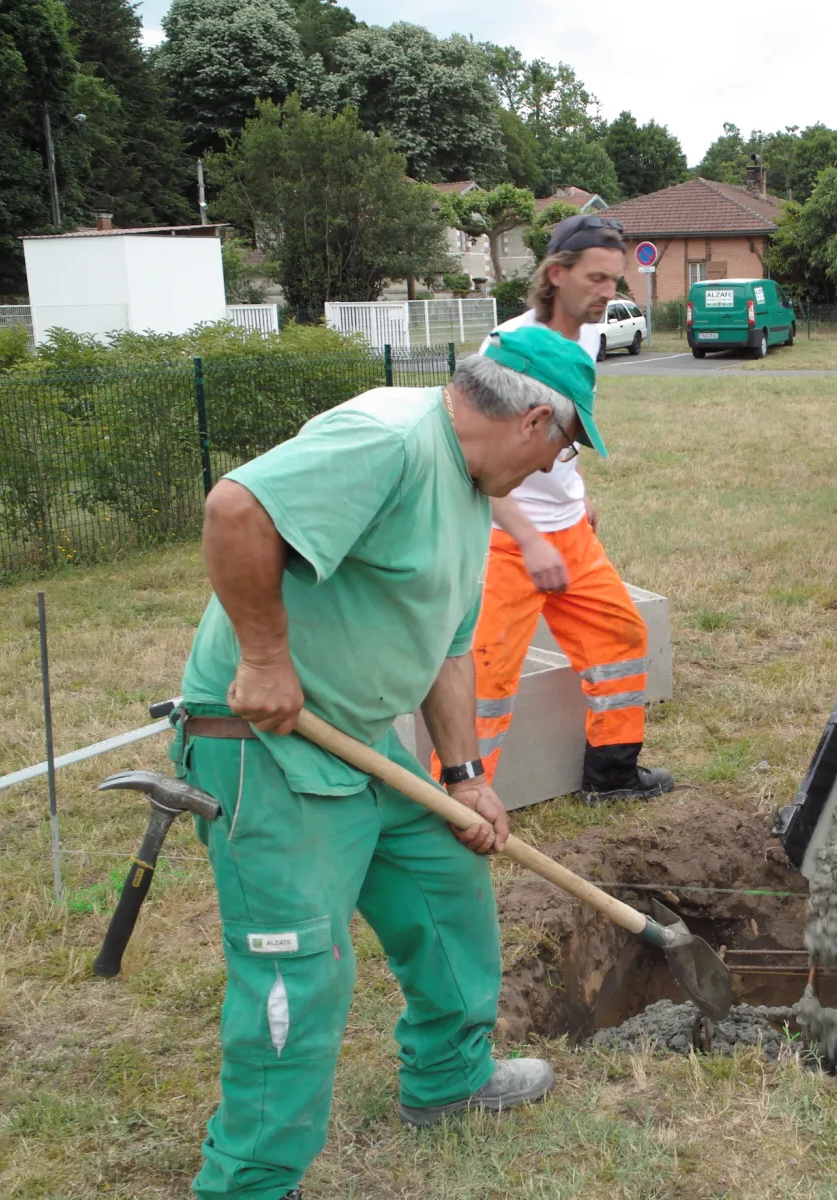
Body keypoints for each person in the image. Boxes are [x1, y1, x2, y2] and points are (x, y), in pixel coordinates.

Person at [172, 325, 605, 1200]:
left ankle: (448, 1080)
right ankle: (250, 1183)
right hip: (266, 744)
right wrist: (262, 660)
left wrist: (462, 775)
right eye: (563, 448)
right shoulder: (391, 439)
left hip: (360, 737)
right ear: (532, 423)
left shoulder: (472, 493)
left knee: (449, 882)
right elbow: (235, 509)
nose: (552, 470)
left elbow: (445, 646)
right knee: (300, 972)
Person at [466, 213, 674, 803]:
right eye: (598, 279)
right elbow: (477, 460)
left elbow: (563, 428)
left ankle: (611, 778)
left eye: (616, 280)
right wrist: (530, 539)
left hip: (570, 534)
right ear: (556, 274)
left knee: (619, 636)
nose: (610, 294)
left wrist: (578, 497)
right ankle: (454, 800)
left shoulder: (588, 335)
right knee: (486, 674)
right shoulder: (508, 348)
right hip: (507, 540)